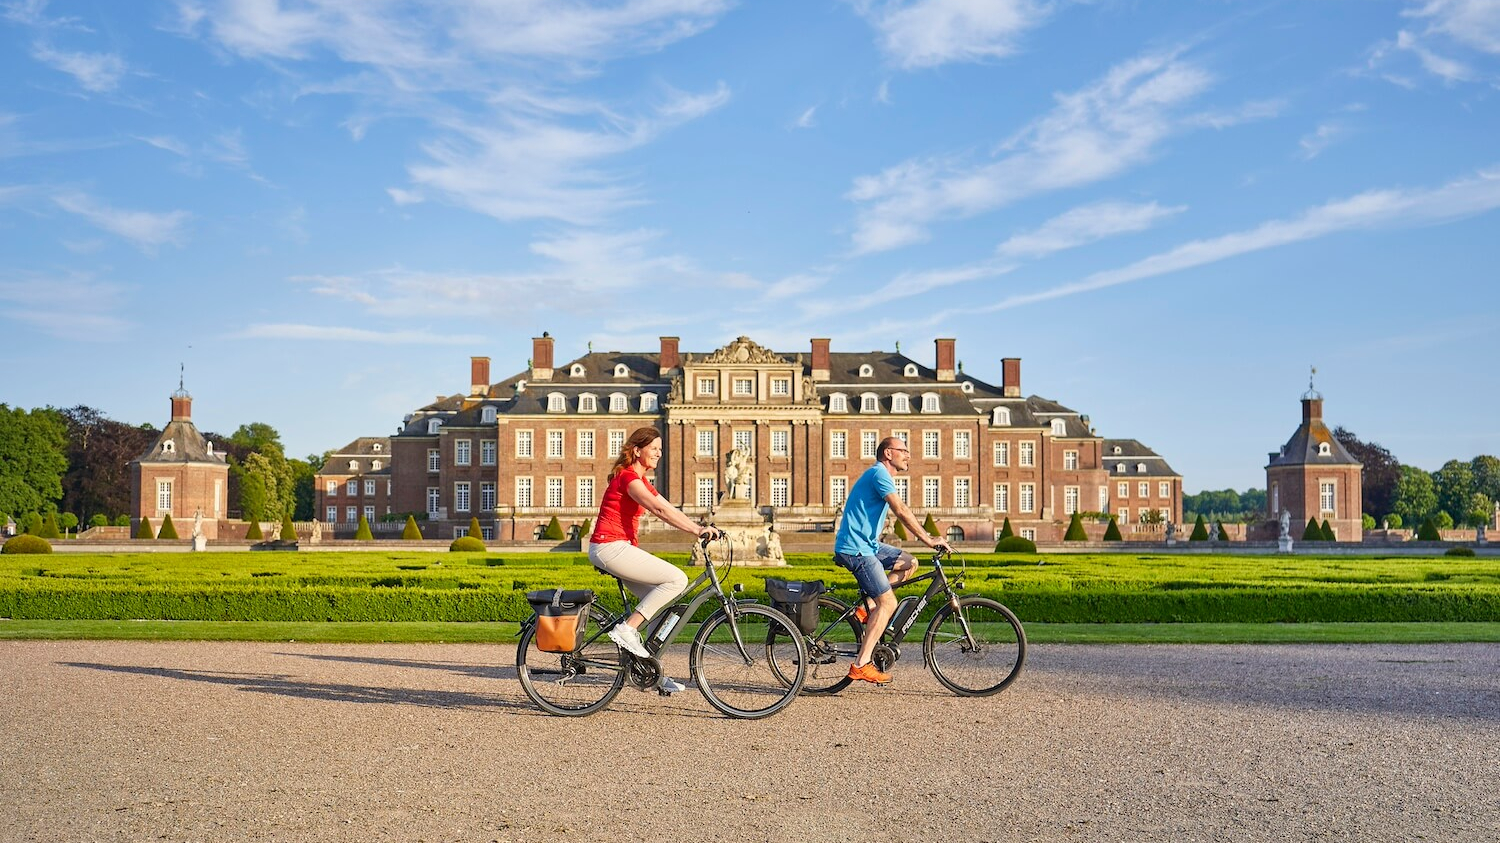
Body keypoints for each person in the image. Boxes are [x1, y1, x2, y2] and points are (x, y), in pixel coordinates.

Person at [589, 426, 722, 693]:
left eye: (661, 450)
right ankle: (626, 630)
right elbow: (658, 509)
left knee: (659, 607)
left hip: (619, 548)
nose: (659, 454)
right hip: (610, 547)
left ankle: (650, 672)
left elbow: (669, 506)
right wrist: (696, 531)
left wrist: (699, 526)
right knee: (677, 579)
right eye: (654, 449)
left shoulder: (641, 481)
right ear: (636, 450)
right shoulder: (628, 478)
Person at [834, 436, 951, 685]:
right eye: (903, 451)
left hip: (869, 546)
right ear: (888, 453)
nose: (908, 455)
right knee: (888, 603)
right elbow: (901, 510)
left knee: (909, 563)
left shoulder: (880, 475)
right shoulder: (879, 473)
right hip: (856, 549)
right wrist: (929, 539)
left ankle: (865, 608)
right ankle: (861, 665)